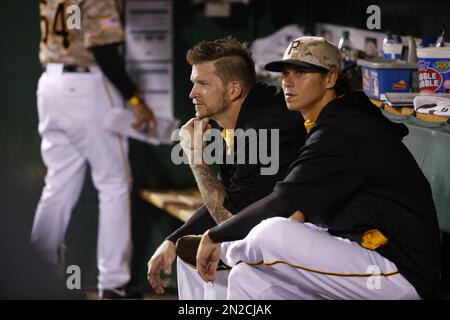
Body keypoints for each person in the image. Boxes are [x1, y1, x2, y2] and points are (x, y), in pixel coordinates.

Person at [195, 36, 441, 300]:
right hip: (362, 251)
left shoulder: (344, 127)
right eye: (286, 73)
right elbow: (302, 206)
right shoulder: (329, 121)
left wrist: (214, 237)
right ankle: (227, 250)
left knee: (272, 232)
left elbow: (284, 200)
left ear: (330, 78)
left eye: (300, 72)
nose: (288, 81)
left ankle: (225, 251)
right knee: (248, 279)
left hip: (399, 270)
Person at [146, 37, 306, 299]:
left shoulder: (263, 129)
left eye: (203, 84)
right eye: (193, 83)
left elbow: (228, 217)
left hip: (315, 241)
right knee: (189, 248)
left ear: (233, 89)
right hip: (271, 230)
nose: (192, 93)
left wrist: (196, 158)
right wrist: (171, 241)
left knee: (203, 252)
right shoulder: (236, 120)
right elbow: (229, 198)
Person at [31, 0, 155, 299]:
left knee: (58, 183)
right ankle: (113, 283)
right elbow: (104, 52)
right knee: (113, 183)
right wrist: (136, 101)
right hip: (85, 83)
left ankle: (34, 272)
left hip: (49, 84)